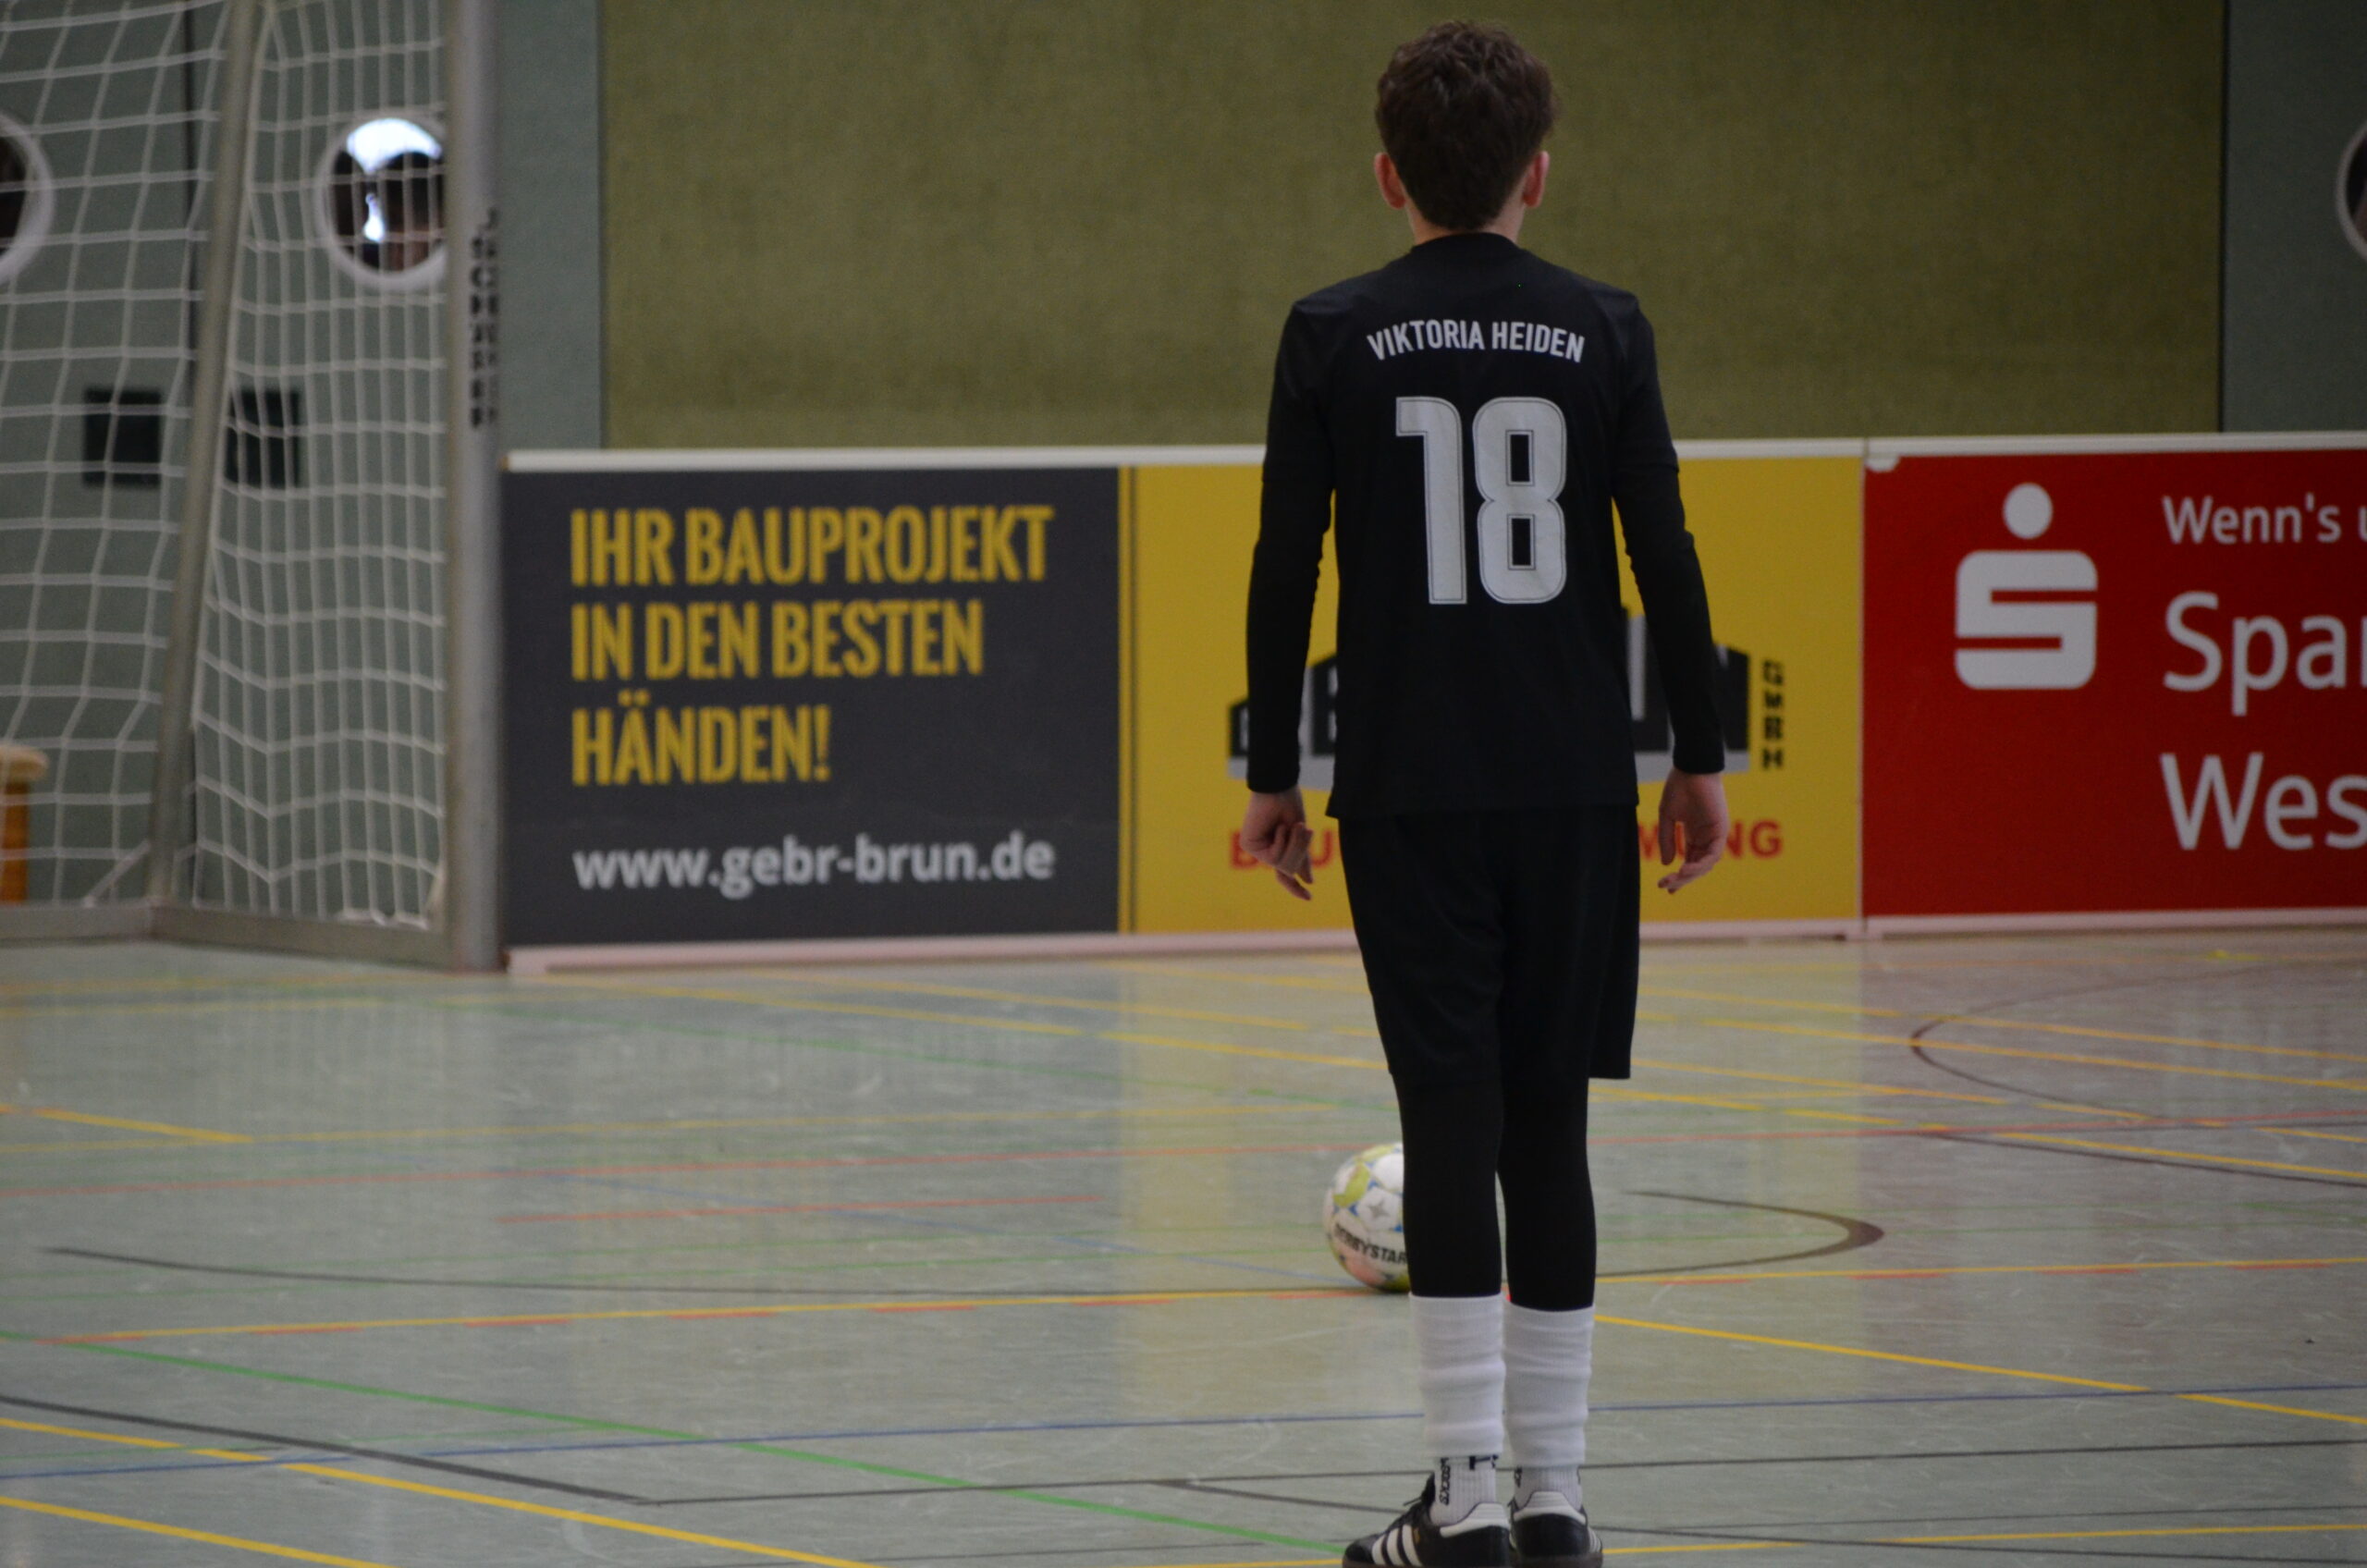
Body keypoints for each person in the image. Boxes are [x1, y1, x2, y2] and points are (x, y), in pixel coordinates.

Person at [1239, 22, 1729, 1568]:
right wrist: (1700, 756)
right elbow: (1666, 553)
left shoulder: (1330, 331)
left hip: (1408, 789)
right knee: (1548, 1135)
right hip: (1572, 786)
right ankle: (1556, 1501)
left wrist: (1272, 775)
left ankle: (1461, 1504)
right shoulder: (1605, 328)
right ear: (1540, 174)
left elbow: (1284, 562)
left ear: (1389, 177)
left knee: (1446, 1128)